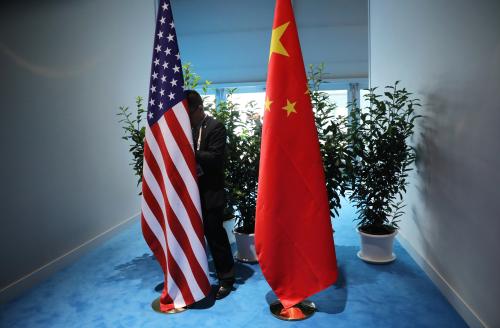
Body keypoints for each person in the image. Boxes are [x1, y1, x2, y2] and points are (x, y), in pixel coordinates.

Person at [185, 89, 235, 300]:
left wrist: (187, 150)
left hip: (210, 192)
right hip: (190, 192)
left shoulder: (216, 127)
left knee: (215, 235)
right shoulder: (187, 128)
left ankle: (227, 278)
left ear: (199, 108)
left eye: (189, 113)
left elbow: (215, 159)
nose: (187, 119)